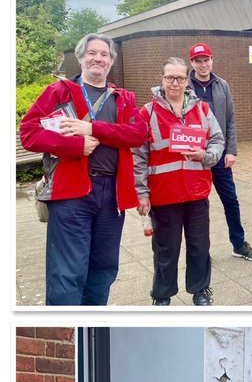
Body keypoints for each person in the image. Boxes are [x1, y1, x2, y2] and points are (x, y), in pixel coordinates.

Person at [20, 33, 147, 305]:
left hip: (113, 195)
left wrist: (93, 128)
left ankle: (92, 322)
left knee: (103, 268)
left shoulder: (122, 97)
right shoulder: (59, 92)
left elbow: (138, 133)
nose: (98, 58)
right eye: (92, 53)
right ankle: (66, 327)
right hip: (72, 194)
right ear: (80, 58)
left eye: (104, 54)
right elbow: (29, 133)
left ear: (111, 61)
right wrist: (76, 146)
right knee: (68, 272)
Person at [133, 57, 223, 306]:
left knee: (199, 247)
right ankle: (162, 295)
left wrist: (205, 155)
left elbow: (217, 140)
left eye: (180, 78)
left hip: (196, 192)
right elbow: (138, 156)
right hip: (164, 194)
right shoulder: (147, 112)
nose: (175, 82)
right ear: (162, 80)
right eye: (170, 77)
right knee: (165, 250)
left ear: (187, 80)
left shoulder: (202, 109)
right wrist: (142, 192)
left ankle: (200, 290)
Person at [187, 43, 252, 263]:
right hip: (194, 154)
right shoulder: (185, 86)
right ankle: (200, 251)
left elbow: (230, 118)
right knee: (198, 205)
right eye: (198, 60)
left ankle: (239, 244)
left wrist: (231, 150)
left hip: (219, 154)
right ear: (192, 63)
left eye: (206, 59)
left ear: (212, 60)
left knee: (230, 200)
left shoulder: (222, 85)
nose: (203, 64)